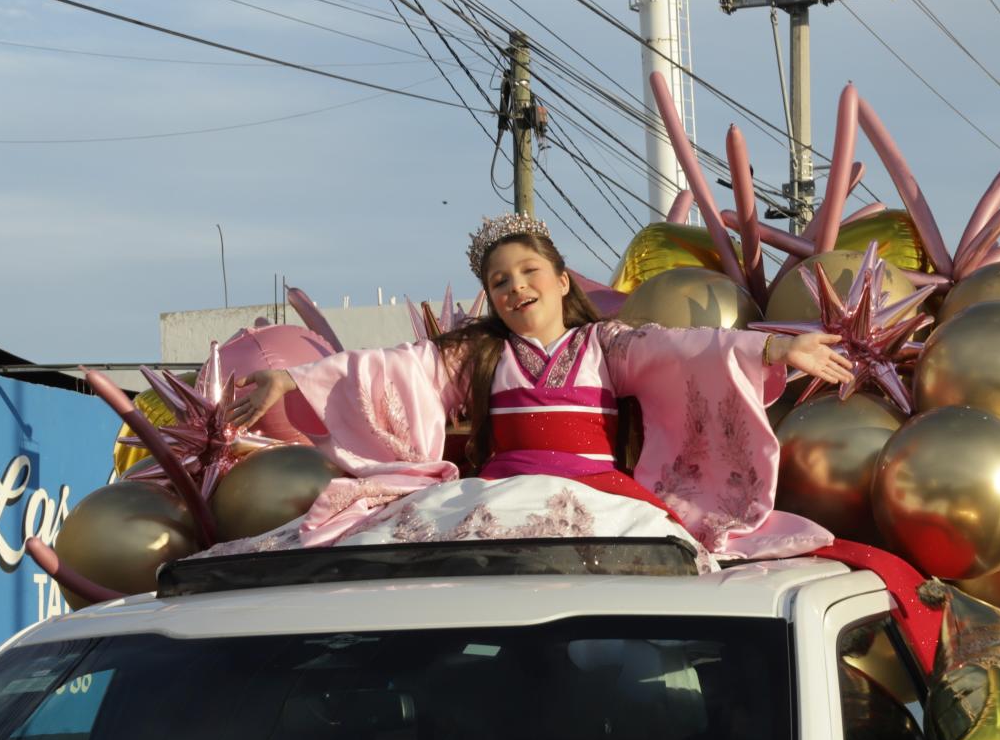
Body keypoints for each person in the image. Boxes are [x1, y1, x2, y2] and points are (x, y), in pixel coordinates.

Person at [227, 214, 853, 559]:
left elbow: (687, 350)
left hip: (600, 489)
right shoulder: (479, 353)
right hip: (503, 487)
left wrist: (776, 346)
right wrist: (289, 376)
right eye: (500, 282)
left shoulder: (607, 344)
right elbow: (396, 367)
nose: (515, 287)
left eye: (529, 271)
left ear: (559, 279)